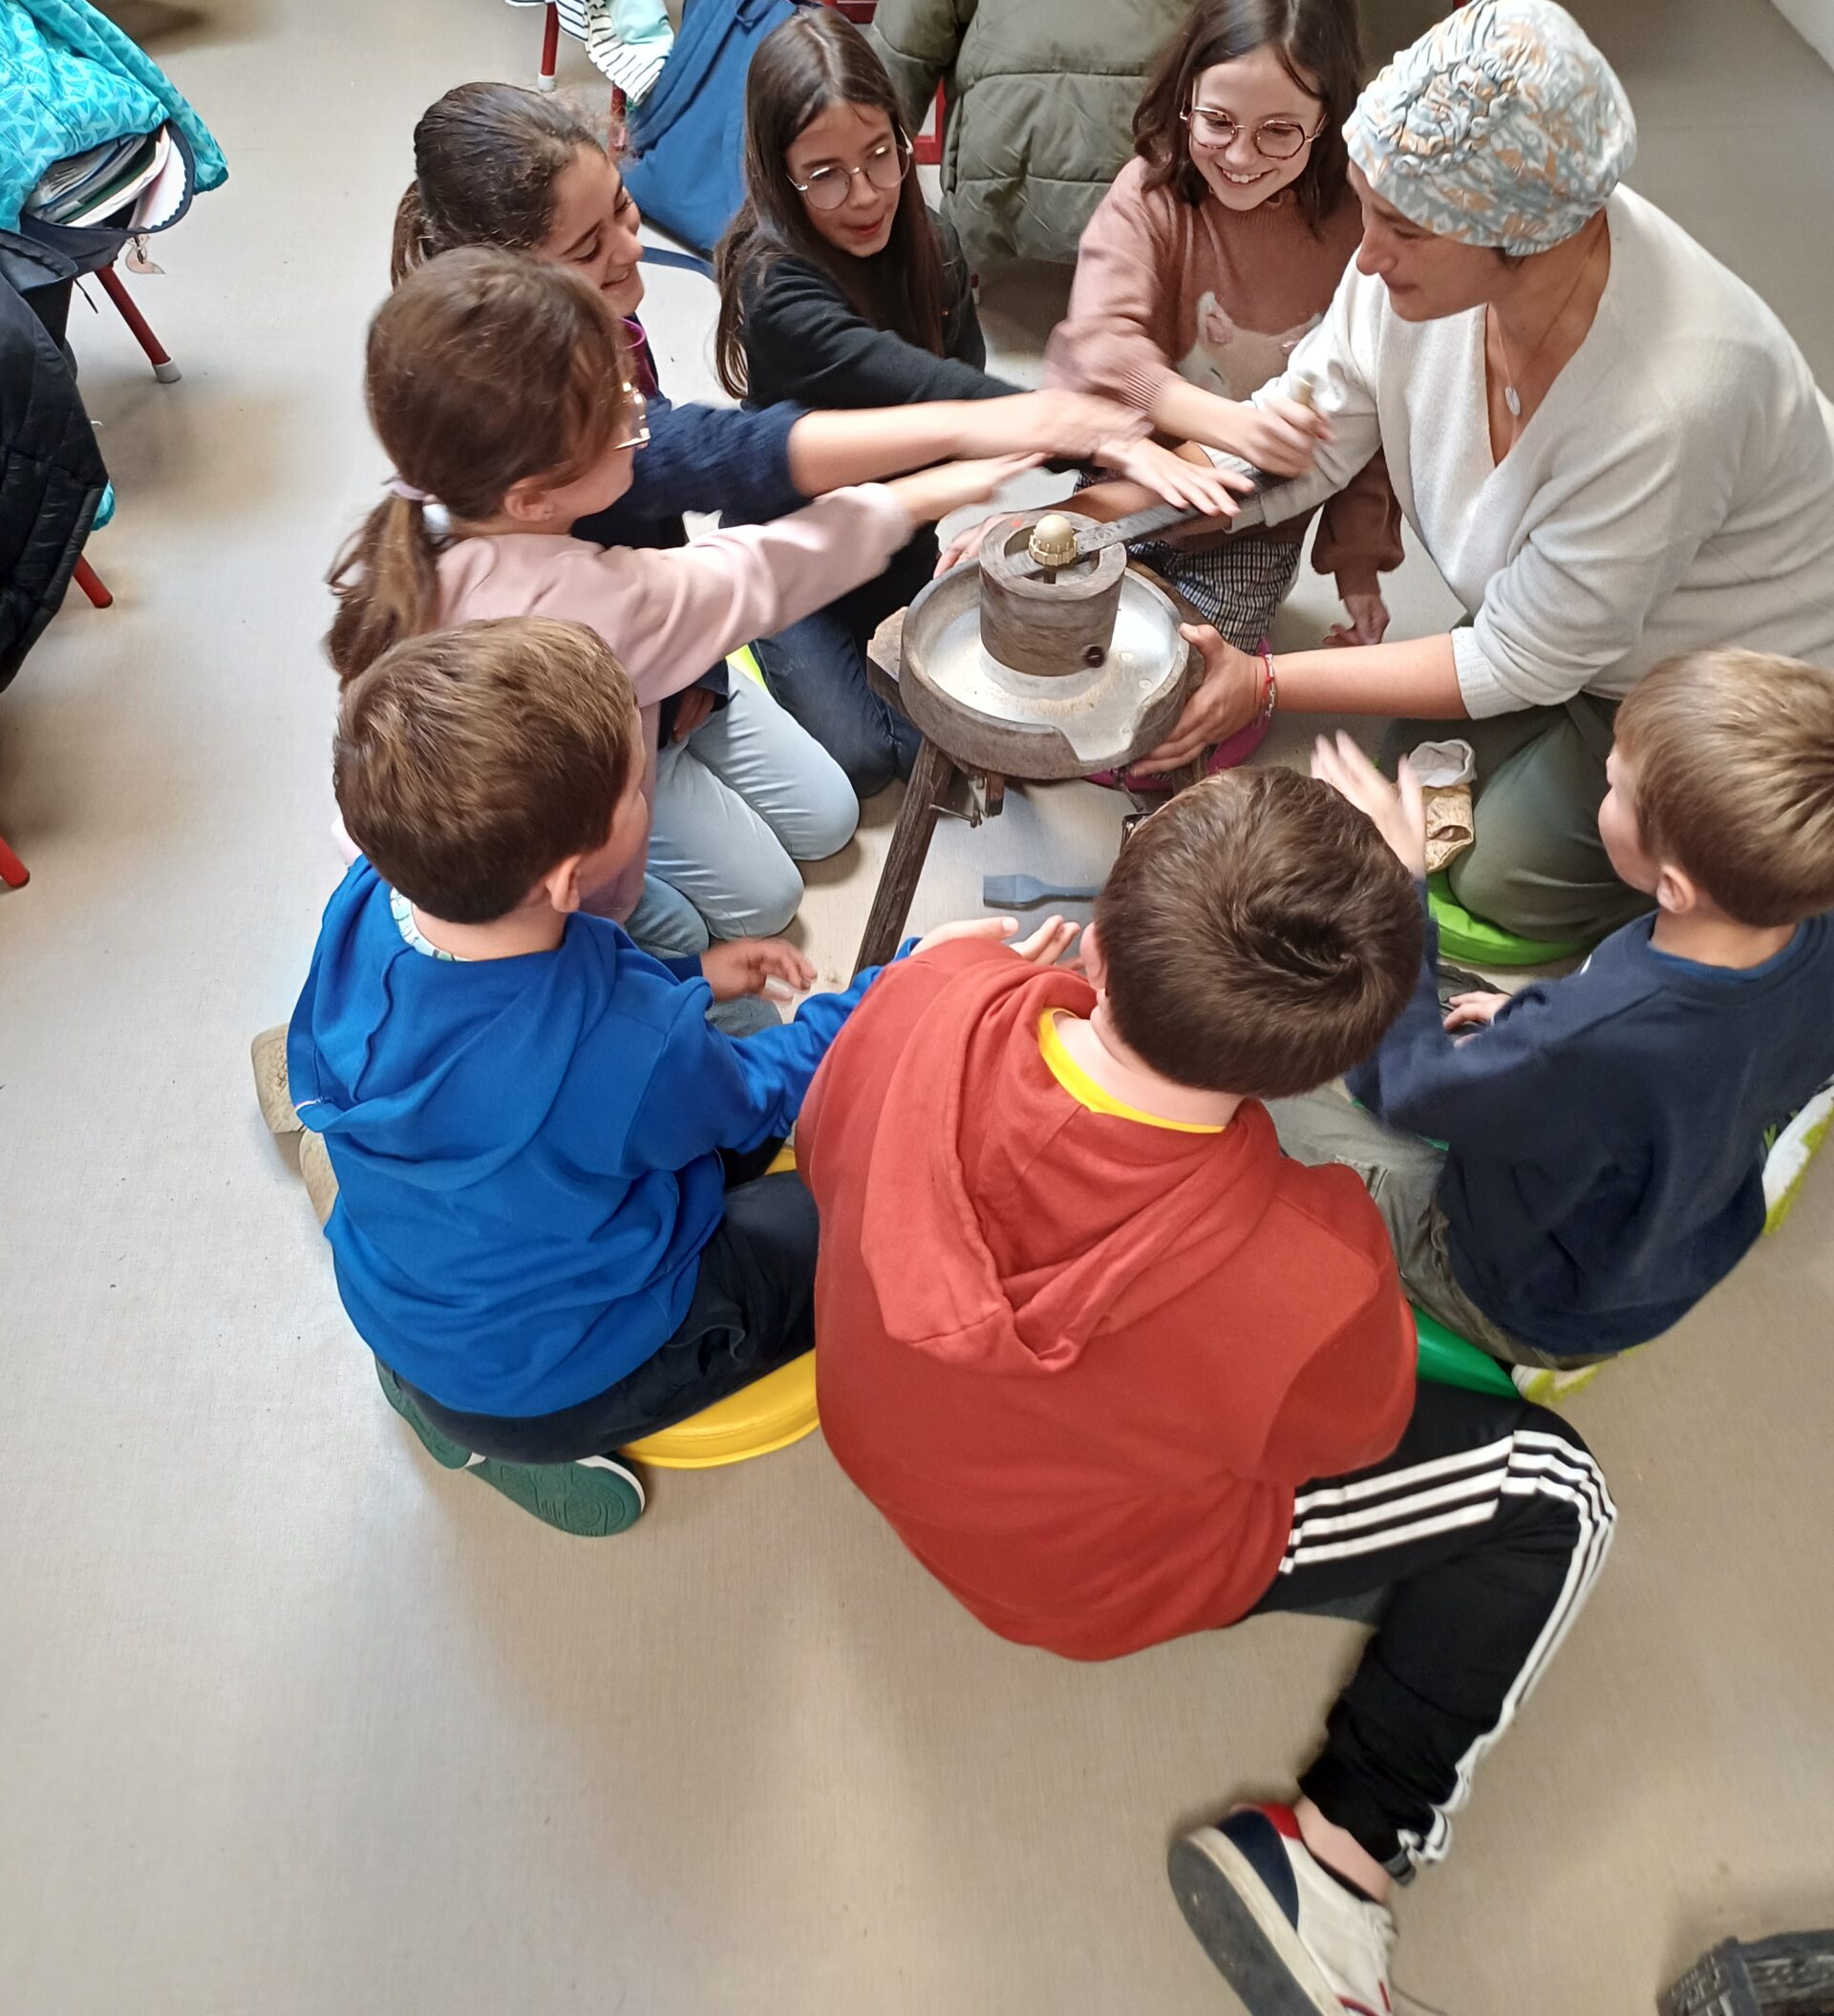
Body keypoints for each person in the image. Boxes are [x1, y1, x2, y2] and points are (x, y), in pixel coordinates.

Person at [797, 768, 1615, 2016]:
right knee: (1560, 1490)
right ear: (1318, 1067)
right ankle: (1340, 1868)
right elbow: (1349, 1435)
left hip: (879, 1430)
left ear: (1106, 938)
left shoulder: (934, 993)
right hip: (1079, 1579)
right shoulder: (1313, 1256)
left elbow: (828, 1135)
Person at [1098, 0, 1834, 948]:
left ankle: (1763, 859)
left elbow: (1519, 657)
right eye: (1368, 208)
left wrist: (1266, 681)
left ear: (1530, 238)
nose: (1365, 256)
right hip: (1574, 616)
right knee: (1407, 774)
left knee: (1496, 874)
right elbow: (1289, 436)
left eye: (1401, 229)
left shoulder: (1670, 400)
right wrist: (1083, 523)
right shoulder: (1435, 261)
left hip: (1728, 673)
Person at [393, 81, 1135, 949]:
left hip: (668, 662)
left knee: (825, 820)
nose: (632, 247)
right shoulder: (556, 552)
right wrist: (971, 446)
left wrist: (962, 459)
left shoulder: (580, 382)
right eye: (590, 245)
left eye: (627, 211)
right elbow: (734, 502)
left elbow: (723, 519)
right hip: (604, 730)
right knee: (759, 901)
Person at [289, 616, 878, 1535]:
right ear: (570, 878)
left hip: (408, 1302)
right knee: (855, 1222)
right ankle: (532, 1441)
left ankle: (428, 1393)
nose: (650, 792)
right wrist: (889, 990)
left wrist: (688, 980)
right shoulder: (629, 1046)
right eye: (643, 788)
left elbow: (581, 1037)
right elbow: (755, 1092)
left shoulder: (363, 901)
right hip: (560, 1374)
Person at [325, 246, 1035, 935]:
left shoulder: (437, 517)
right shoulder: (581, 605)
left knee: (830, 816)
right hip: (576, 807)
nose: (642, 418)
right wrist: (942, 483)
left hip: (651, 688)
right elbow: (761, 571)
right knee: (738, 911)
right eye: (620, 417)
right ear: (532, 497)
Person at [1284, 653, 1834, 1373]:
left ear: (1671, 886)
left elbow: (1408, 1086)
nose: (1604, 773)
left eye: (1614, 785)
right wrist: (1533, 1018)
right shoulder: (1811, 929)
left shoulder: (1586, 1040)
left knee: (1276, 1089)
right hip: (1667, 1240)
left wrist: (1398, 887)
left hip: (1521, 1293)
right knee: (1450, 1006)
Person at [714, 9, 1159, 797]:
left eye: (881, 156)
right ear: (776, 171)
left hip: (898, 533)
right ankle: (753, 637)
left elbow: (968, 426)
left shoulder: (936, 247)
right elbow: (942, 392)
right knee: (867, 762)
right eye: (824, 174)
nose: (865, 195)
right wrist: (1091, 433)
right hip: (793, 549)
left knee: (956, 740)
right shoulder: (772, 284)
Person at [1041, 0, 1400, 665]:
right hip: (1131, 471)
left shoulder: (1359, 232)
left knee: (1188, 675)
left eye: (1278, 132)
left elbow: (1373, 414)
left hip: (1253, 530)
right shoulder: (1151, 193)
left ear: (1328, 120)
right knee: (1059, 632)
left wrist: (1358, 563)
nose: (1239, 155)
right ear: (1185, 98)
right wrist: (1238, 427)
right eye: (1217, 121)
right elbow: (1098, 350)